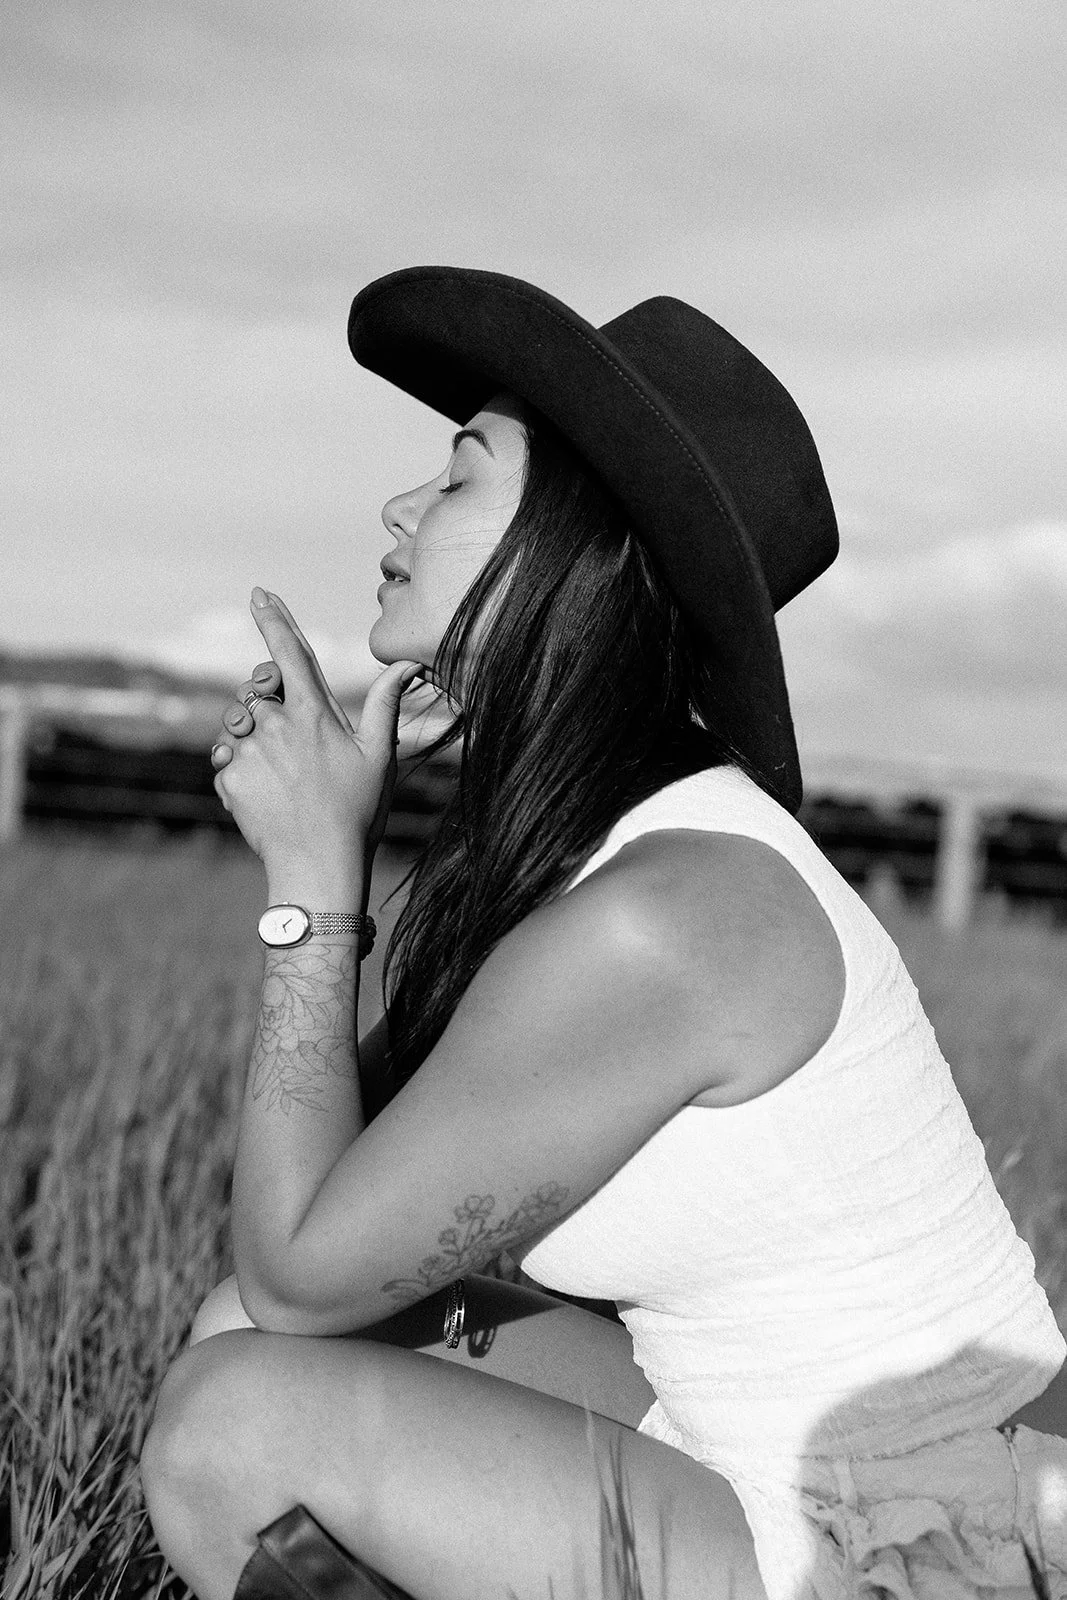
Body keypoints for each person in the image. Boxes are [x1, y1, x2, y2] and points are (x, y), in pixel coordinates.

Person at [139, 268, 1067, 1600]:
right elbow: (338, 1233)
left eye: (459, 477)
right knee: (244, 1341)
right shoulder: (612, 857)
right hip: (753, 1459)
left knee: (238, 1424)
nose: (400, 508)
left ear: (581, 548)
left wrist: (310, 881)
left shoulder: (667, 916)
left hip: (911, 1554)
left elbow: (302, 1277)